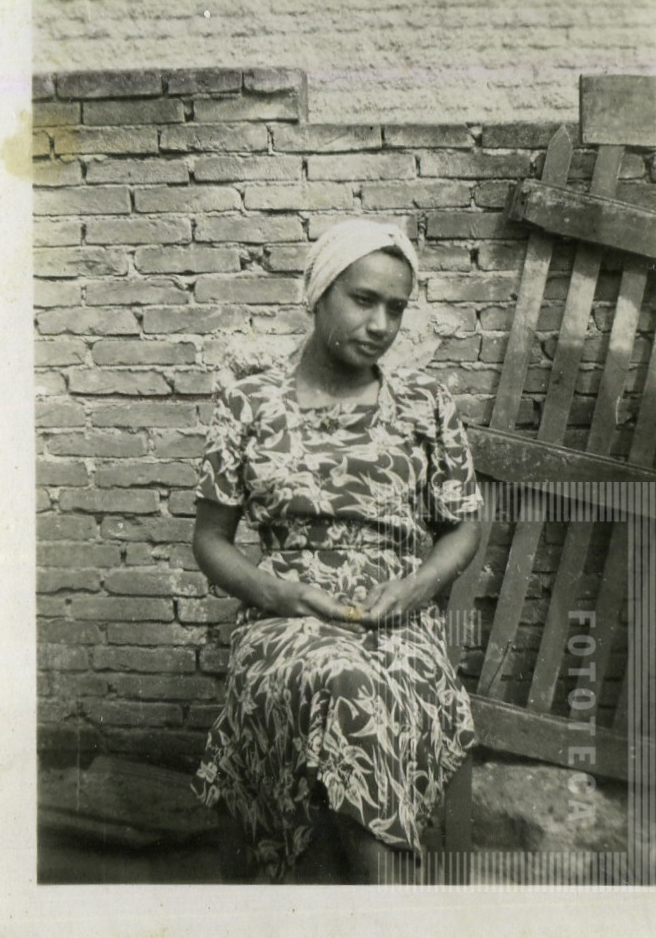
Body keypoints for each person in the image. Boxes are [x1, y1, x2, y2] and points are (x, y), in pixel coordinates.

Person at [191, 218, 483, 884]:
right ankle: (383, 902)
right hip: (285, 616)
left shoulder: (426, 404)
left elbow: (463, 525)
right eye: (363, 300)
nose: (381, 324)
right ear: (319, 294)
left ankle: (359, 898)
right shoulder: (248, 405)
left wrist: (416, 588)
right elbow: (210, 540)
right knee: (343, 681)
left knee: (363, 685)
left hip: (397, 620)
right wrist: (279, 593)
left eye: (396, 308)